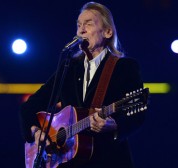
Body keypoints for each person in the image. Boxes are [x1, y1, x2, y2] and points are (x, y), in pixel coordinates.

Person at [19, 2, 146, 168]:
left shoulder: (124, 67)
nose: (81, 30)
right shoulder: (70, 68)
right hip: (69, 162)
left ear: (108, 32)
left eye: (89, 24)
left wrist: (114, 125)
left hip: (108, 160)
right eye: (79, 25)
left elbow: (139, 112)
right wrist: (36, 132)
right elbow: (29, 107)